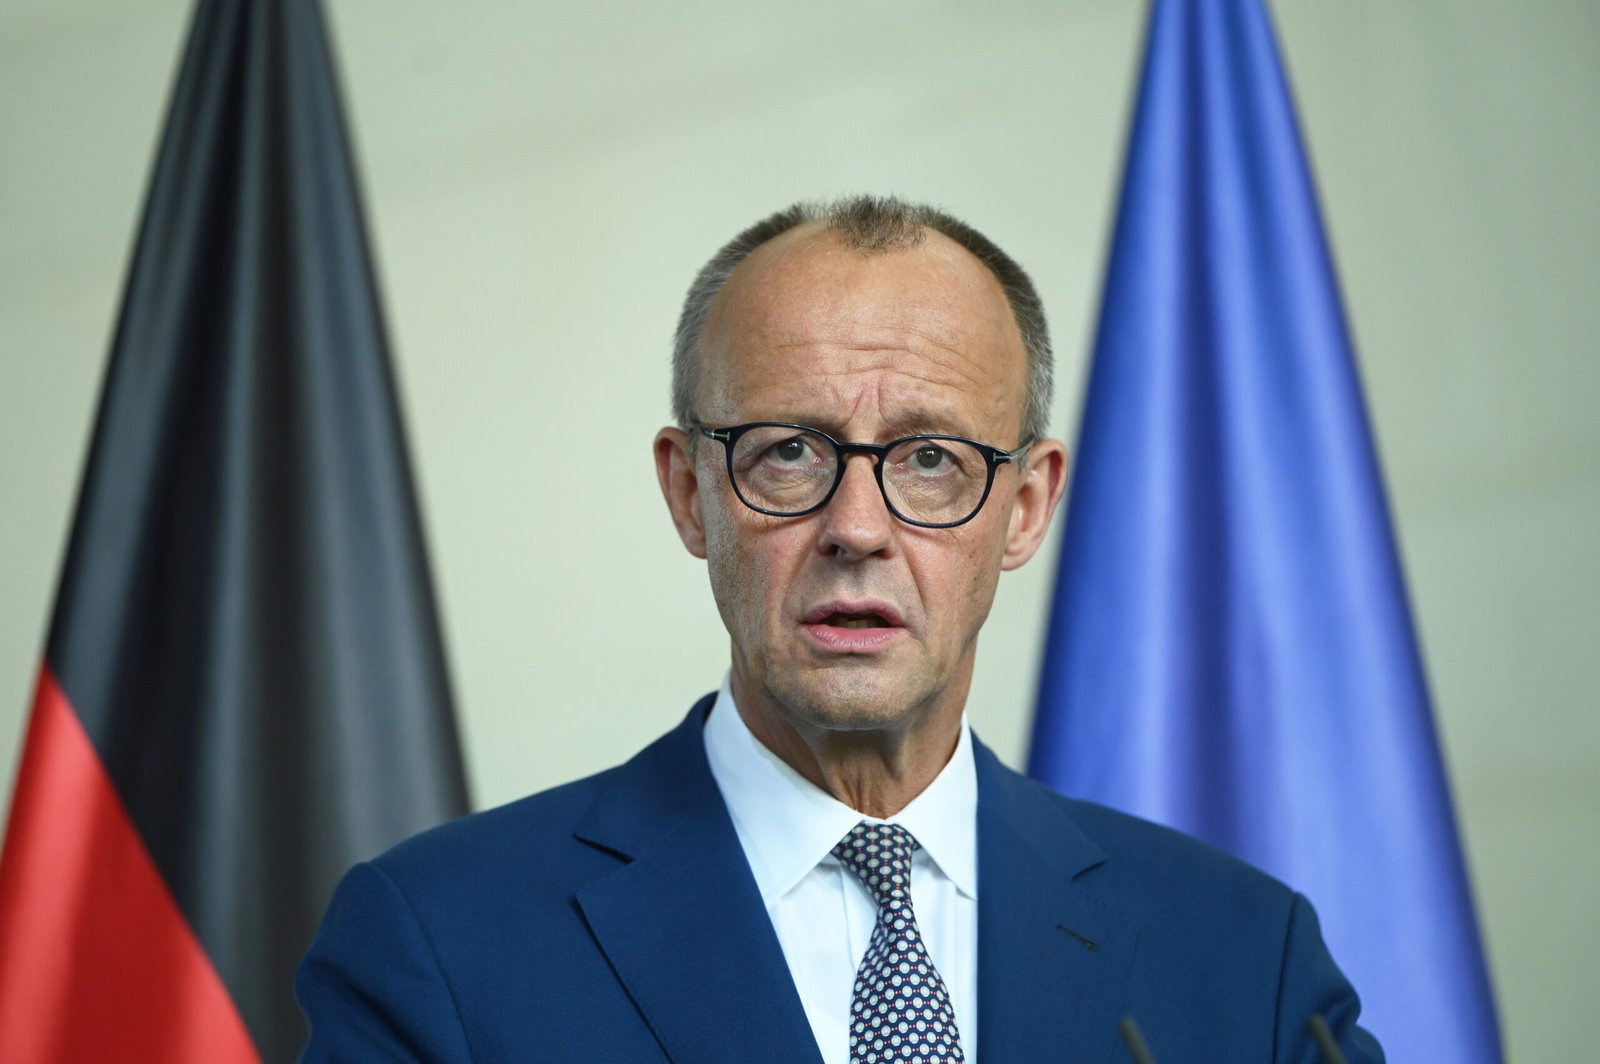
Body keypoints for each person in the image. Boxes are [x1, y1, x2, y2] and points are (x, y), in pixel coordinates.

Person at [296, 196, 1383, 1063]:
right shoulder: (440, 944)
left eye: (931, 458)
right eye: (788, 451)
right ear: (689, 493)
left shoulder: (1247, 958)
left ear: (1027, 507)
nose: (856, 527)